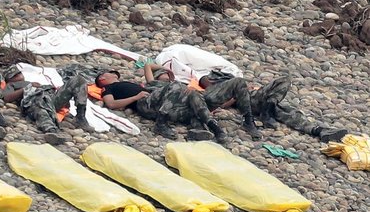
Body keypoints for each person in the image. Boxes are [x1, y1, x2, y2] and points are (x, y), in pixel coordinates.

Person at [205, 73, 346, 142]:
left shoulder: (229, 80)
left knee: (288, 111)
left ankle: (318, 131)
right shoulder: (216, 90)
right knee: (284, 83)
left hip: (257, 96)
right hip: (251, 100)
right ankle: (267, 111)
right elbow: (223, 103)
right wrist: (237, 96)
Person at [95, 68, 228, 141]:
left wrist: (164, 70)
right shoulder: (108, 88)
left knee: (192, 96)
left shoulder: (125, 83)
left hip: (160, 103)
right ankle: (160, 124)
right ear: (103, 78)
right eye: (110, 73)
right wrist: (135, 97)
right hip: (144, 104)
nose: (113, 74)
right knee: (176, 85)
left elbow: (149, 66)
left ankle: (206, 128)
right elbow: (111, 104)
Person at [1, 65, 91, 144]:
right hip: (33, 100)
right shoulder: (12, 85)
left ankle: (80, 116)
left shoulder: (30, 81)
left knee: (78, 80)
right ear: (9, 80)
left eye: (19, 73)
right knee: (40, 109)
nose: (18, 76)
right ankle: (51, 131)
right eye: (14, 76)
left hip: (50, 98)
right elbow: (7, 97)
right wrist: (27, 88)